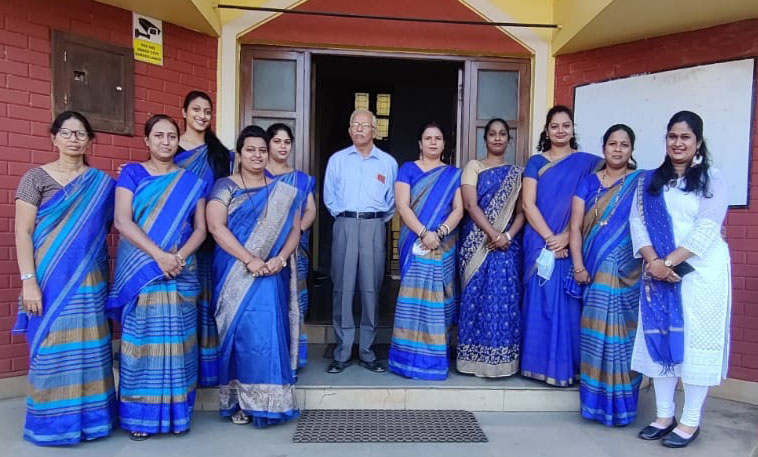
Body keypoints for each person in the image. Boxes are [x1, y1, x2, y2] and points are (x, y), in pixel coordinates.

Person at [12, 111, 117, 446]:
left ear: (90, 140)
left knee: (90, 347)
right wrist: (28, 280)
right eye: (67, 132)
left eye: (81, 133)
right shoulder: (35, 178)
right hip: (48, 279)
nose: (74, 138)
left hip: (90, 280)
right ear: (53, 137)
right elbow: (23, 231)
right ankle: (53, 425)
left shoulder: (102, 184)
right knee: (52, 349)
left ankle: (94, 423)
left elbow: (117, 225)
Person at [631, 111, 731, 448]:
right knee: (660, 340)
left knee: (693, 345)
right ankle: (663, 415)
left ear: (698, 142)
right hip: (658, 273)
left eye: (685, 137)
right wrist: (654, 263)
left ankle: (690, 421)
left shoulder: (712, 179)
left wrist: (667, 262)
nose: (678, 143)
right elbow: (637, 222)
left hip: (700, 275)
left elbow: (707, 229)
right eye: (673, 136)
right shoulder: (649, 181)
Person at [108, 114, 207, 441]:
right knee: (141, 341)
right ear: (147, 141)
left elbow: (201, 229)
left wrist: (177, 257)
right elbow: (122, 221)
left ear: (178, 141)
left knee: (179, 342)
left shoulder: (191, 181)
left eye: (170, 136)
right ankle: (140, 418)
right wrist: (159, 256)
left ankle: (178, 415)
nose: (165, 141)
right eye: (158, 136)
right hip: (142, 270)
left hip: (180, 270)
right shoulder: (132, 174)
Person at [207, 126, 302, 427]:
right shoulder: (225, 186)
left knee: (267, 335)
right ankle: (240, 400)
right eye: (251, 149)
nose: (258, 155)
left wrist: (280, 258)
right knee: (240, 337)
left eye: (262, 149)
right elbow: (216, 227)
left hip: (271, 273)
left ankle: (268, 401)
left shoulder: (282, 189)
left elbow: (295, 230)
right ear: (239, 153)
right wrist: (249, 259)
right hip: (234, 271)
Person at [568, 124, 644, 426]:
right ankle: (595, 406)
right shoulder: (588, 184)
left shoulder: (640, 182)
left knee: (623, 339)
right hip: (594, 268)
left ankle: (623, 408)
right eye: (613, 144)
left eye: (624, 145)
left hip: (628, 272)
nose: (618, 149)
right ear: (604, 148)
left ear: (631, 150)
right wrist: (577, 265)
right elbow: (575, 227)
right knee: (596, 335)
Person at [521, 105, 602, 386]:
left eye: (565, 125)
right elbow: (528, 204)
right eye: (554, 126)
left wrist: (568, 236)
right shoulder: (536, 162)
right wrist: (550, 239)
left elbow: (598, 197)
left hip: (571, 241)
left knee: (566, 303)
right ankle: (537, 365)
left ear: (572, 129)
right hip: (539, 240)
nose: (560, 131)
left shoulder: (589, 163)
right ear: (546, 130)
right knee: (540, 300)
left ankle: (565, 368)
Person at [323, 109, 398, 374]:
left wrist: (373, 219)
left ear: (374, 130)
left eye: (364, 125)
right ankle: (342, 351)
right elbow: (329, 197)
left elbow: (392, 202)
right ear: (349, 129)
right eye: (354, 124)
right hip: (344, 223)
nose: (358, 129)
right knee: (342, 288)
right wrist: (347, 217)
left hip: (374, 225)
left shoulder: (387, 163)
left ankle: (367, 350)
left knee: (371, 288)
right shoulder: (337, 160)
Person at [387, 121, 463, 380]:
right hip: (415, 243)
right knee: (412, 300)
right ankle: (405, 360)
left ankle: (432, 362)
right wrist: (423, 233)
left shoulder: (453, 174)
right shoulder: (407, 169)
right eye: (428, 137)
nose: (433, 142)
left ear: (443, 143)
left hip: (442, 244)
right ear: (420, 143)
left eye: (438, 138)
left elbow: (459, 209)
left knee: (437, 302)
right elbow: (403, 206)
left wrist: (439, 233)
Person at [456, 118, 526, 378]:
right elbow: (471, 206)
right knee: (475, 298)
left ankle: (503, 362)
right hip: (476, 243)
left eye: (502, 134)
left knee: (503, 299)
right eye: (492, 134)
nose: (497, 138)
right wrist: (493, 233)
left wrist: (506, 235)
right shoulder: (473, 167)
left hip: (507, 246)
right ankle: (472, 361)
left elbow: (523, 211)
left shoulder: (518, 173)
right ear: (485, 139)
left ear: (509, 139)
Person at [175, 90, 233, 387]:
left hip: (211, 237)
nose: (202, 115)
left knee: (208, 300)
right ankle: (184, 368)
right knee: (183, 302)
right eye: (196, 109)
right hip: (177, 237)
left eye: (207, 111)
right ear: (183, 111)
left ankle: (208, 371)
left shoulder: (220, 153)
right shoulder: (170, 147)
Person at [265, 123, 317, 369]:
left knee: (294, 300)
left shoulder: (300, 179)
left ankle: (292, 357)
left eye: (287, 142)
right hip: (262, 251)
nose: (283, 146)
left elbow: (310, 211)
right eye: (277, 141)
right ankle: (268, 355)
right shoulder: (256, 175)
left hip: (294, 249)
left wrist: (295, 233)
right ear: (268, 144)